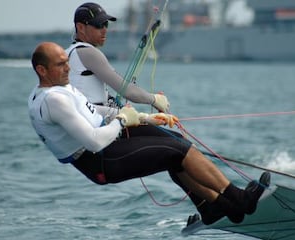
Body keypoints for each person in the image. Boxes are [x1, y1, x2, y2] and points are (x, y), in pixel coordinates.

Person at [28, 42, 271, 225]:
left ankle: (214, 206)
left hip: (108, 142)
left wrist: (144, 117)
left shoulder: (58, 89)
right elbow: (93, 141)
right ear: (42, 70)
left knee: (174, 142)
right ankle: (239, 200)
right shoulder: (54, 100)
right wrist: (123, 119)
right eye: (60, 64)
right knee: (178, 151)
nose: (67, 67)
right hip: (100, 161)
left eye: (66, 61)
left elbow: (91, 110)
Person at [65, 2, 169, 112]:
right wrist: (155, 99)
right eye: (98, 25)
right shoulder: (89, 53)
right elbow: (128, 91)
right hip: (94, 123)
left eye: (106, 24)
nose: (105, 30)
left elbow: (93, 94)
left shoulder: (67, 53)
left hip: (91, 118)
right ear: (80, 27)